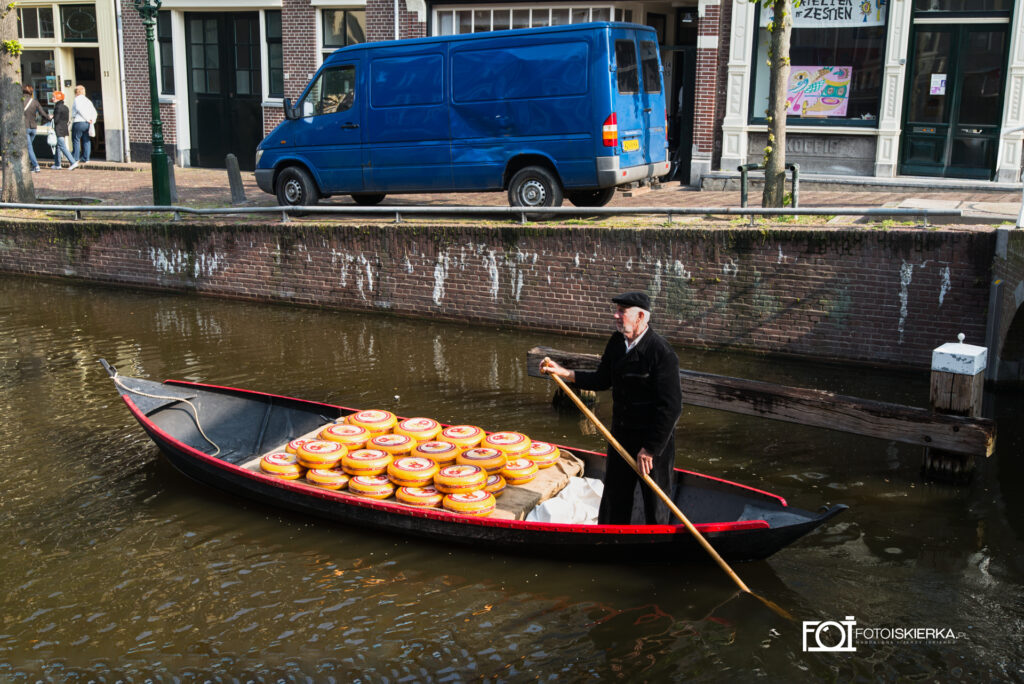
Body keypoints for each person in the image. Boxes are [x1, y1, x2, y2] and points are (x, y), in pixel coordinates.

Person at [541, 292, 682, 525]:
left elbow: (672, 407)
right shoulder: (617, 342)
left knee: (656, 504)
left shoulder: (661, 353)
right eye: (617, 310)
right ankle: (611, 540)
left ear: (640, 317)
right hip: (621, 436)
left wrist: (650, 448)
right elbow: (602, 379)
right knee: (615, 498)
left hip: (652, 444)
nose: (615, 315)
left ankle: (654, 548)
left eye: (622, 311)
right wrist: (564, 373)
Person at [22, 85, 51, 173]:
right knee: (27, 148)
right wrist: (49, 118)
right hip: (34, 128)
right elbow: (43, 113)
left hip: (25, 127)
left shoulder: (20, 102)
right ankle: (29, 165)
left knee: (29, 148)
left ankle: (36, 165)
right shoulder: (35, 102)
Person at [70, 84, 97, 166]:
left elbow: (79, 109)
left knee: (76, 140)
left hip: (79, 122)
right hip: (87, 123)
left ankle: (75, 158)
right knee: (86, 140)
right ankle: (86, 158)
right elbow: (94, 112)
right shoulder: (88, 101)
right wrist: (92, 120)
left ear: (76, 92)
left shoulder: (77, 99)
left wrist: (86, 118)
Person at [49, 91, 76, 170]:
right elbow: (66, 119)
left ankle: (73, 162)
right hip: (64, 128)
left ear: (58, 98)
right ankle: (57, 164)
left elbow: (56, 120)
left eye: (54, 97)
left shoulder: (57, 107)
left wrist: (52, 117)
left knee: (62, 146)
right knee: (58, 146)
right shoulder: (65, 107)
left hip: (59, 129)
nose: (52, 98)